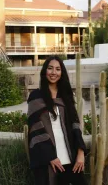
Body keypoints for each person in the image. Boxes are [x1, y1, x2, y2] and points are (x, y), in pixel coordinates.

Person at [27, 56, 88, 185]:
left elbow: (75, 125)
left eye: (58, 69)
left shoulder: (65, 96)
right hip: (48, 159)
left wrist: (81, 152)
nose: (54, 72)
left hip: (71, 156)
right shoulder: (36, 97)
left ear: (62, 73)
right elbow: (35, 128)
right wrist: (51, 156)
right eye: (50, 68)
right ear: (45, 71)